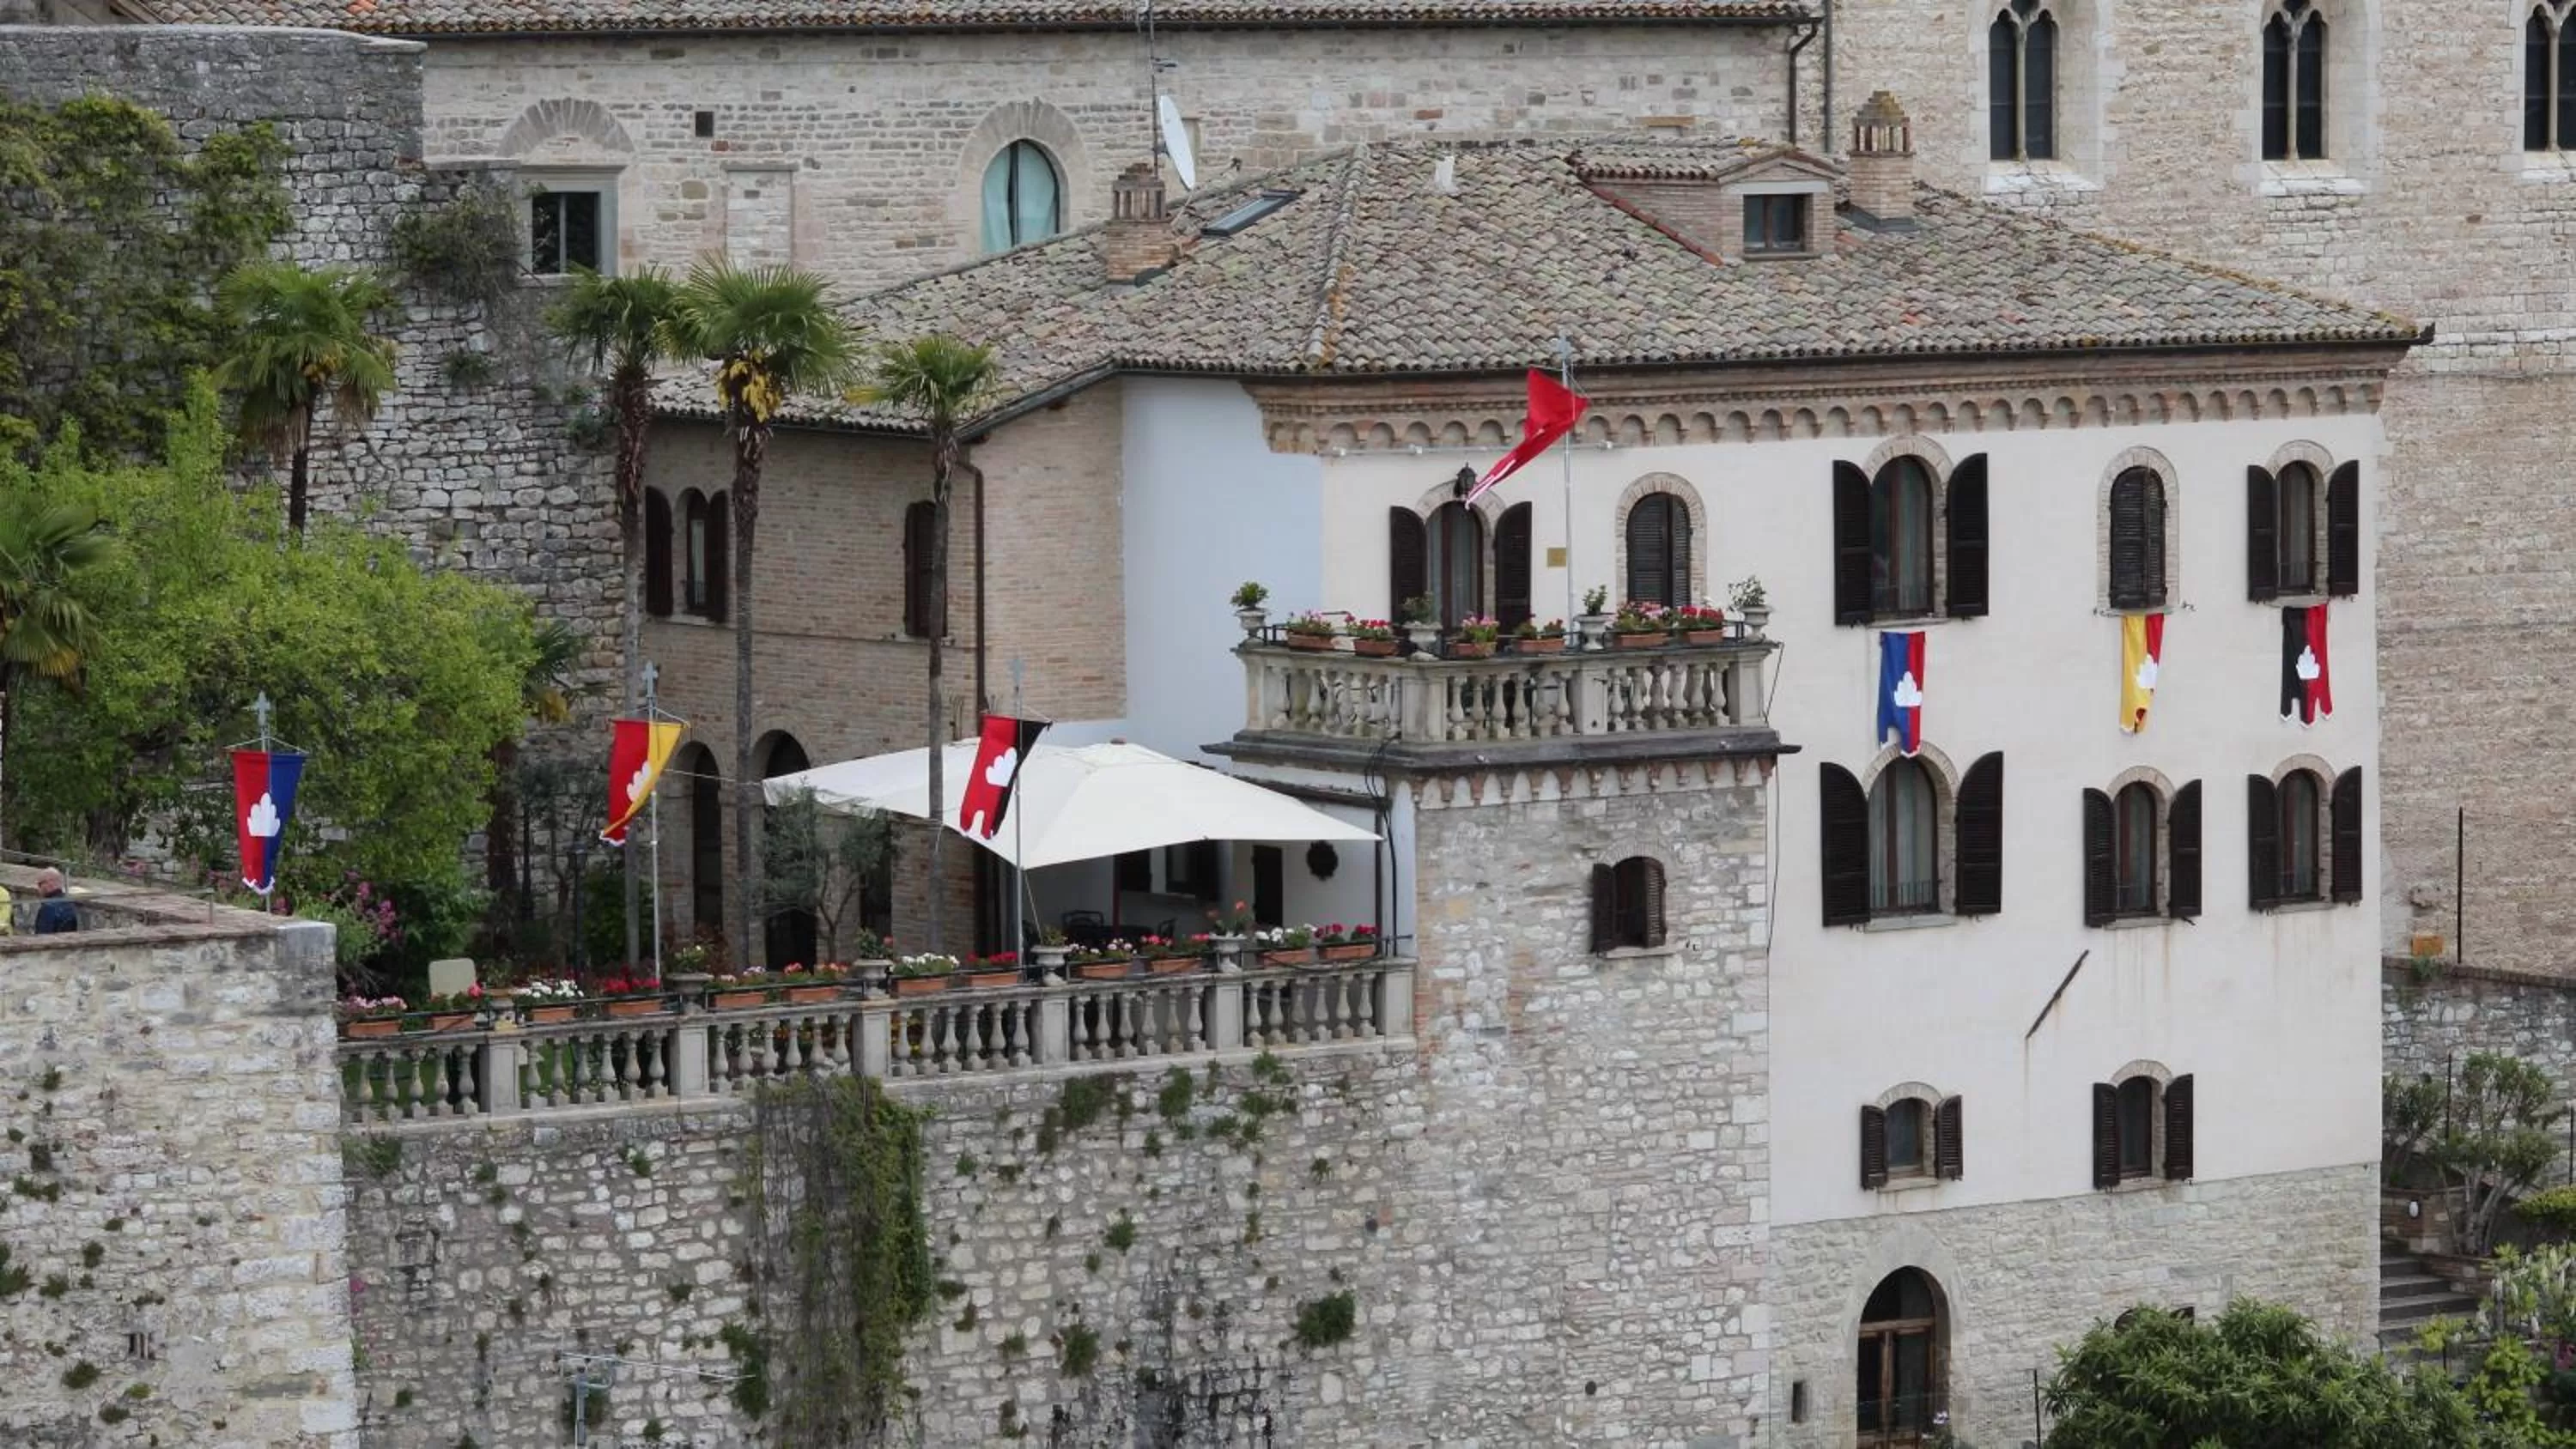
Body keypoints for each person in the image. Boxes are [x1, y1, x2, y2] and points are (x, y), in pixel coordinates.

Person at [31, 869, 76, 935]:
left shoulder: (47, 909)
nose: (38, 889)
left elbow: (42, 938)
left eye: (39, 884)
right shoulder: (69, 903)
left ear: (49, 883)